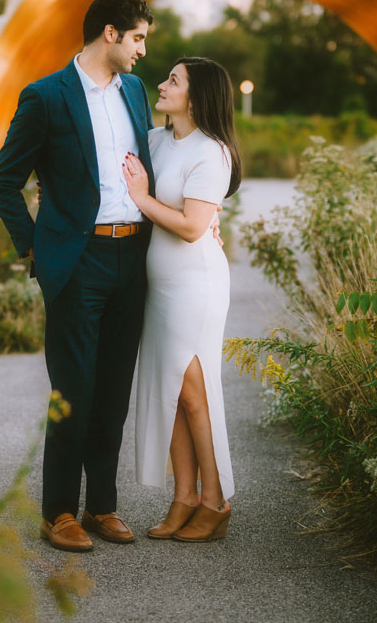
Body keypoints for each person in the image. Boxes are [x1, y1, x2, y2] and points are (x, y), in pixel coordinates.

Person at [0, 0, 155, 552]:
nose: (142, 51)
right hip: (77, 263)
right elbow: (3, 183)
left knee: (113, 389)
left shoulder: (134, 92)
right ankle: (57, 510)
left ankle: (101, 505)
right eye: (137, 38)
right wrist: (37, 248)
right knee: (74, 390)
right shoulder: (45, 97)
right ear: (109, 32)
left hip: (132, 257)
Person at [121, 56, 242, 542]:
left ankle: (215, 501)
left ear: (196, 96)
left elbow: (194, 227)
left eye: (174, 80)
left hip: (196, 284)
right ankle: (183, 497)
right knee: (171, 394)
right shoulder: (155, 140)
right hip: (160, 286)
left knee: (193, 394)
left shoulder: (211, 152)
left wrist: (142, 199)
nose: (162, 84)